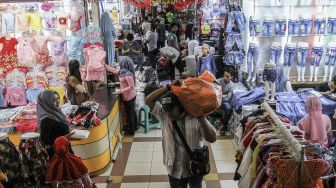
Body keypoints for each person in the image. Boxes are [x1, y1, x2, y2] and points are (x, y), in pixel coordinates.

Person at [145, 81, 216, 188]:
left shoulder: (195, 117)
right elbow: (148, 100)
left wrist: (201, 117)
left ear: (181, 105)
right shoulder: (164, 115)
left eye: (172, 110)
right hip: (174, 167)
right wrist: (168, 87)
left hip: (194, 166)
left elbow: (212, 138)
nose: (169, 114)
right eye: (166, 110)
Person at [105, 56, 137, 135]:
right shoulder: (122, 71)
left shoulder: (128, 74)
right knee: (131, 112)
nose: (118, 64)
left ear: (123, 64)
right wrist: (104, 65)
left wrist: (121, 91)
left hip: (129, 97)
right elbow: (115, 71)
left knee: (130, 114)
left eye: (120, 63)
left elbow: (131, 86)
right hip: (127, 95)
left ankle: (131, 131)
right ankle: (135, 126)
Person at [37, 90, 72, 158]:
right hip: (57, 157)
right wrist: (64, 137)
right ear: (46, 103)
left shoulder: (57, 113)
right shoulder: (46, 121)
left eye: (58, 98)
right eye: (53, 100)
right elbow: (47, 143)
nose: (58, 101)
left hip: (65, 151)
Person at [217, 67, 235, 135]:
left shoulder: (232, 85)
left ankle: (223, 125)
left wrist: (220, 96)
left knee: (228, 108)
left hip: (223, 101)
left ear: (231, 77)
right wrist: (222, 95)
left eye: (227, 76)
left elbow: (228, 98)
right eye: (224, 75)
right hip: (215, 99)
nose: (225, 77)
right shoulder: (218, 81)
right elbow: (213, 91)